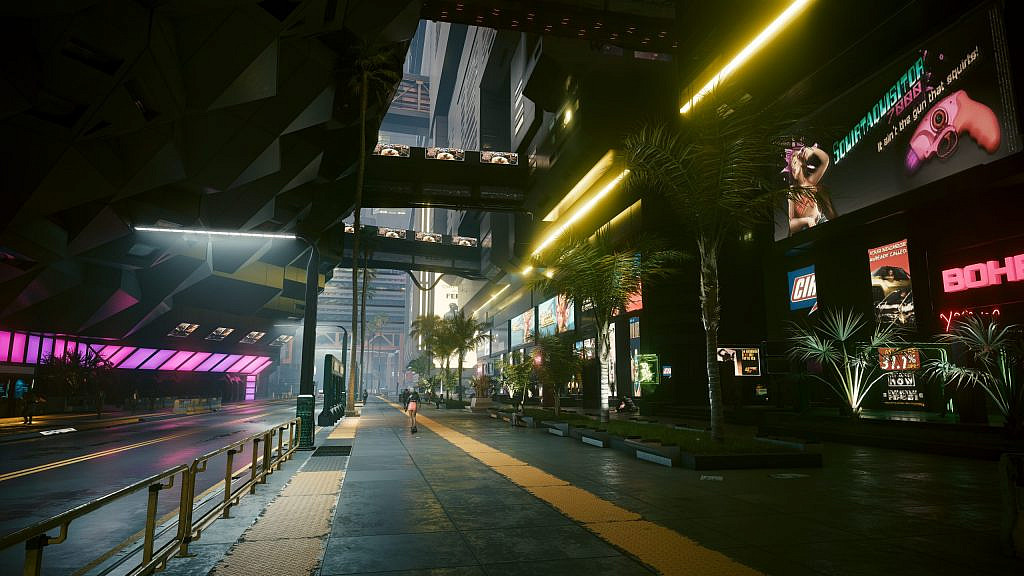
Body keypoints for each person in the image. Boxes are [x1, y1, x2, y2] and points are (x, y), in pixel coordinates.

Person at [784, 142, 835, 235]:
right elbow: (792, 224)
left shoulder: (811, 182)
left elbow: (825, 160)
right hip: (805, 229)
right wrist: (807, 220)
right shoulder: (793, 192)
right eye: (791, 166)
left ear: (802, 163)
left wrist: (810, 149)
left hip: (820, 221)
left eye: (794, 163)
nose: (793, 167)